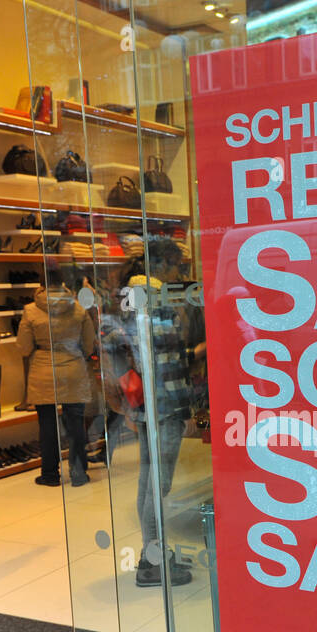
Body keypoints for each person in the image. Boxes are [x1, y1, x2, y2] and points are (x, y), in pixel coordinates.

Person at [110, 237, 205, 588]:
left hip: (145, 405)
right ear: (162, 264)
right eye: (178, 265)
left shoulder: (129, 297)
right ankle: (152, 562)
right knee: (158, 484)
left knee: (147, 482)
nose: (180, 272)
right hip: (164, 404)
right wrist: (202, 350)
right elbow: (168, 358)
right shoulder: (155, 300)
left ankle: (153, 553)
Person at [17, 259, 96, 487]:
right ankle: (79, 473)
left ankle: (50, 474)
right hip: (73, 368)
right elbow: (89, 345)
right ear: (62, 280)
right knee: (76, 424)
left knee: (47, 425)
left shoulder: (30, 310)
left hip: (43, 370)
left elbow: (24, 346)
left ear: (40, 282)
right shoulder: (78, 307)